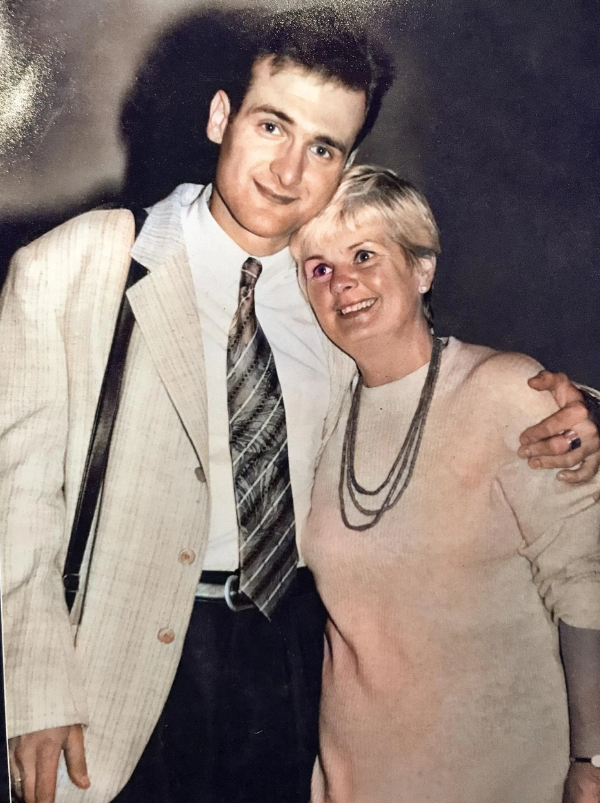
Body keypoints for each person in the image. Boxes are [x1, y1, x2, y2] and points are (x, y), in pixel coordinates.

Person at [1, 9, 598, 803]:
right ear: (221, 116)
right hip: (115, 671)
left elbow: (440, 391)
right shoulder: (75, 265)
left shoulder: (337, 299)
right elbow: (18, 500)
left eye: (323, 148)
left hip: (291, 672)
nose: (289, 170)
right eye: (272, 126)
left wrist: (578, 413)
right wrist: (36, 691)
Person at [290, 164, 600, 803]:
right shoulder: (315, 415)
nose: (342, 282)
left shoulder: (507, 391)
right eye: (319, 268)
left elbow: (586, 589)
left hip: (504, 777)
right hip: (356, 778)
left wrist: (592, 760)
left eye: (364, 255)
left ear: (422, 269)